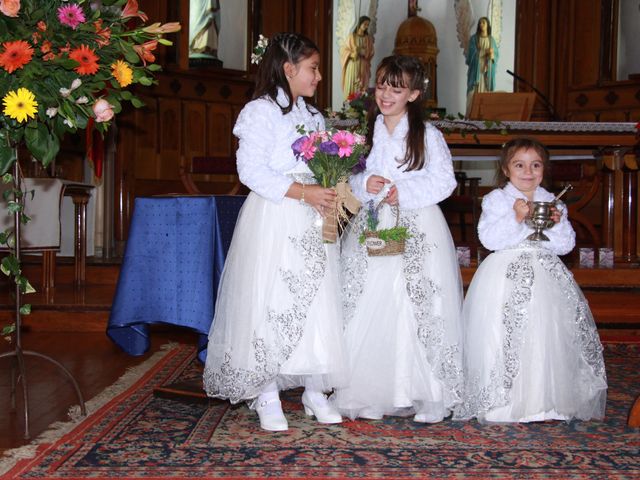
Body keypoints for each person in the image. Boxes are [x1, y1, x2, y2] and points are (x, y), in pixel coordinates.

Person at [203, 33, 347, 432]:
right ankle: (265, 389)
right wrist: (304, 191)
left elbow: (324, 165)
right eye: (313, 68)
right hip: (276, 215)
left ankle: (315, 388)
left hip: (314, 219)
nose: (319, 76)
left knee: (317, 299)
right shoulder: (260, 112)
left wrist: (333, 189)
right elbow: (250, 171)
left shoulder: (315, 117)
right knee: (271, 298)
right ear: (288, 69)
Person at [332, 55, 463, 423]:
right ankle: (376, 391)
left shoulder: (428, 135)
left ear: (414, 94)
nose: (386, 94)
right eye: (382, 85)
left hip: (417, 224)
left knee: (415, 301)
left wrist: (403, 191)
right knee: (374, 300)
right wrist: (365, 185)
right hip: (377, 225)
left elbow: (444, 180)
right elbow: (355, 179)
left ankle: (428, 393)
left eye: (397, 87)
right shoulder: (369, 133)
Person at [454, 138, 607, 423]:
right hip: (504, 275)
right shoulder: (496, 199)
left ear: (543, 169)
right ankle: (501, 402)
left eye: (535, 165)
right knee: (503, 333)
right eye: (519, 165)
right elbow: (489, 239)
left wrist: (558, 222)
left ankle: (541, 401)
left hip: (543, 276)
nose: (528, 171)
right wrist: (516, 218)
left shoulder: (551, 200)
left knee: (542, 332)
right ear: (506, 169)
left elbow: (564, 246)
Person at [465, 16, 499, 115]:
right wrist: (482, 52)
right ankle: (472, 115)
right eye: (480, 23)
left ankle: (485, 116)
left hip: (486, 73)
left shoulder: (491, 40)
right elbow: (470, 56)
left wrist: (492, 56)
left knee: (486, 93)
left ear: (488, 25)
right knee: (473, 94)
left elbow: (496, 57)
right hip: (476, 72)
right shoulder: (474, 39)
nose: (481, 24)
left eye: (483, 22)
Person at [341, 16, 375, 99]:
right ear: (360, 23)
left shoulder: (367, 39)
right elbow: (344, 50)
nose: (366, 26)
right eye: (365, 24)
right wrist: (353, 53)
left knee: (362, 86)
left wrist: (364, 52)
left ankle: (360, 105)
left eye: (368, 25)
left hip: (363, 65)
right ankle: (349, 104)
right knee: (352, 84)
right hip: (353, 64)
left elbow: (371, 52)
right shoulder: (352, 37)